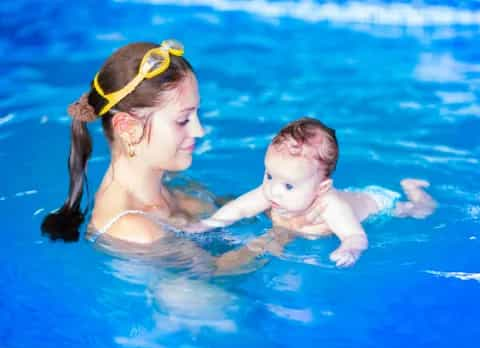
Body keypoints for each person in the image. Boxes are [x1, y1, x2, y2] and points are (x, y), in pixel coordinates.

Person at [185, 117, 437, 267]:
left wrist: (349, 249)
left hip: (379, 203)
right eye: (269, 175)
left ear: (321, 188)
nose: (273, 189)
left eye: (288, 185)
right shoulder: (274, 190)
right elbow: (239, 208)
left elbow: (355, 235)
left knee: (419, 212)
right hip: (350, 194)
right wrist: (209, 223)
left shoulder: (331, 206)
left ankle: (413, 190)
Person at [41, 40, 217, 245]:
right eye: (183, 120)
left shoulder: (167, 184)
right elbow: (211, 276)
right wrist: (264, 240)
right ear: (128, 128)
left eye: (196, 113)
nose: (199, 131)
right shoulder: (135, 231)